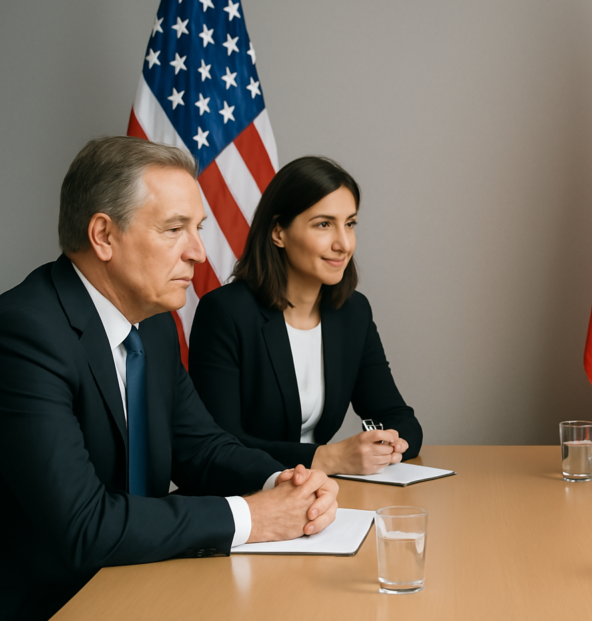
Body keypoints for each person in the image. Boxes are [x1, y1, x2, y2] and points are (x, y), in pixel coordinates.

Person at [0, 137, 340, 620]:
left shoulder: (155, 323)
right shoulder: (23, 332)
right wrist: (255, 515)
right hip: (56, 602)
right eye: (175, 228)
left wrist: (283, 482)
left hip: (145, 580)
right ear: (103, 235)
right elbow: (84, 525)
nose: (199, 253)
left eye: (197, 228)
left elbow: (201, 448)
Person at [189, 156, 422, 475]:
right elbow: (219, 444)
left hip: (324, 494)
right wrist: (328, 459)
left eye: (350, 224)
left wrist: (386, 446)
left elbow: (400, 418)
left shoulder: (353, 311)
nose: (344, 243)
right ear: (278, 232)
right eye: (324, 224)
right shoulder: (225, 312)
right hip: (249, 497)